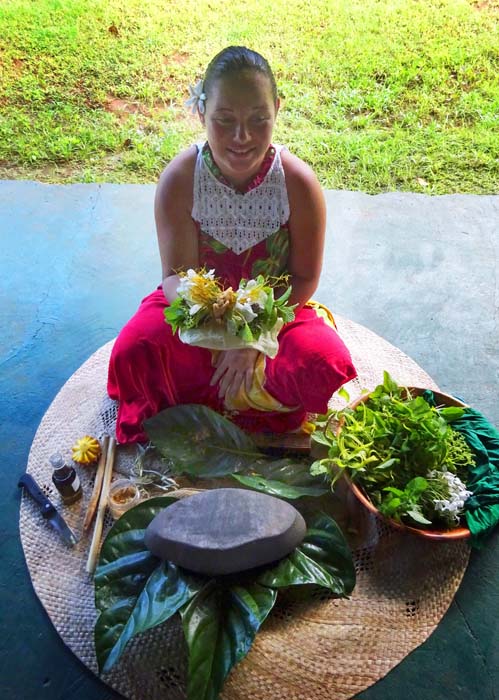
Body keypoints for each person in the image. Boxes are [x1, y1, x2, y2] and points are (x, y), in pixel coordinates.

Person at [108, 46, 357, 444]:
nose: (242, 138)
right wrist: (220, 336)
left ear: (277, 108)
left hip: (276, 316)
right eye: (225, 121)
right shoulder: (180, 179)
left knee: (326, 362)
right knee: (134, 350)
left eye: (259, 120)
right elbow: (175, 279)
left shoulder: (298, 184)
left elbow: (305, 277)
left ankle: (205, 406)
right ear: (201, 112)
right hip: (199, 319)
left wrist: (254, 339)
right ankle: (248, 402)